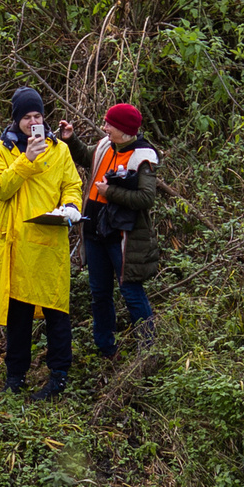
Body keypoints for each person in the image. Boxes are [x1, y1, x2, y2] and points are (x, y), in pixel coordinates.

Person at [0, 86, 82, 399]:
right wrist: (26, 160)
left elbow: (72, 185)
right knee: (19, 316)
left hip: (49, 242)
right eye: (26, 117)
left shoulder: (59, 150)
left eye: (37, 115)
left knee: (56, 312)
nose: (32, 122)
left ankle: (59, 376)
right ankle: (16, 377)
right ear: (16, 119)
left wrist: (71, 207)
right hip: (16, 244)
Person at [65, 101, 162, 358]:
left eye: (109, 124)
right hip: (95, 232)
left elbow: (146, 198)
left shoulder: (143, 155)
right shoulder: (105, 145)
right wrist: (71, 139)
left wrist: (112, 192)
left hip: (122, 236)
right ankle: (106, 349)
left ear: (125, 130)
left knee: (130, 290)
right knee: (99, 293)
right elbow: (87, 157)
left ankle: (149, 350)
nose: (104, 127)